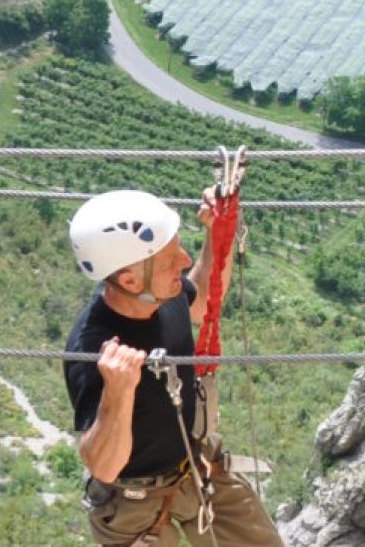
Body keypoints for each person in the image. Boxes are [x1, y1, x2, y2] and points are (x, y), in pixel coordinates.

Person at [64, 187, 283, 547]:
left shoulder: (164, 295)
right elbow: (102, 466)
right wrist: (118, 392)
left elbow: (201, 298)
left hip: (194, 468)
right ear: (130, 281)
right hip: (132, 500)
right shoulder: (93, 350)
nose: (182, 261)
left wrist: (216, 236)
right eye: (168, 260)